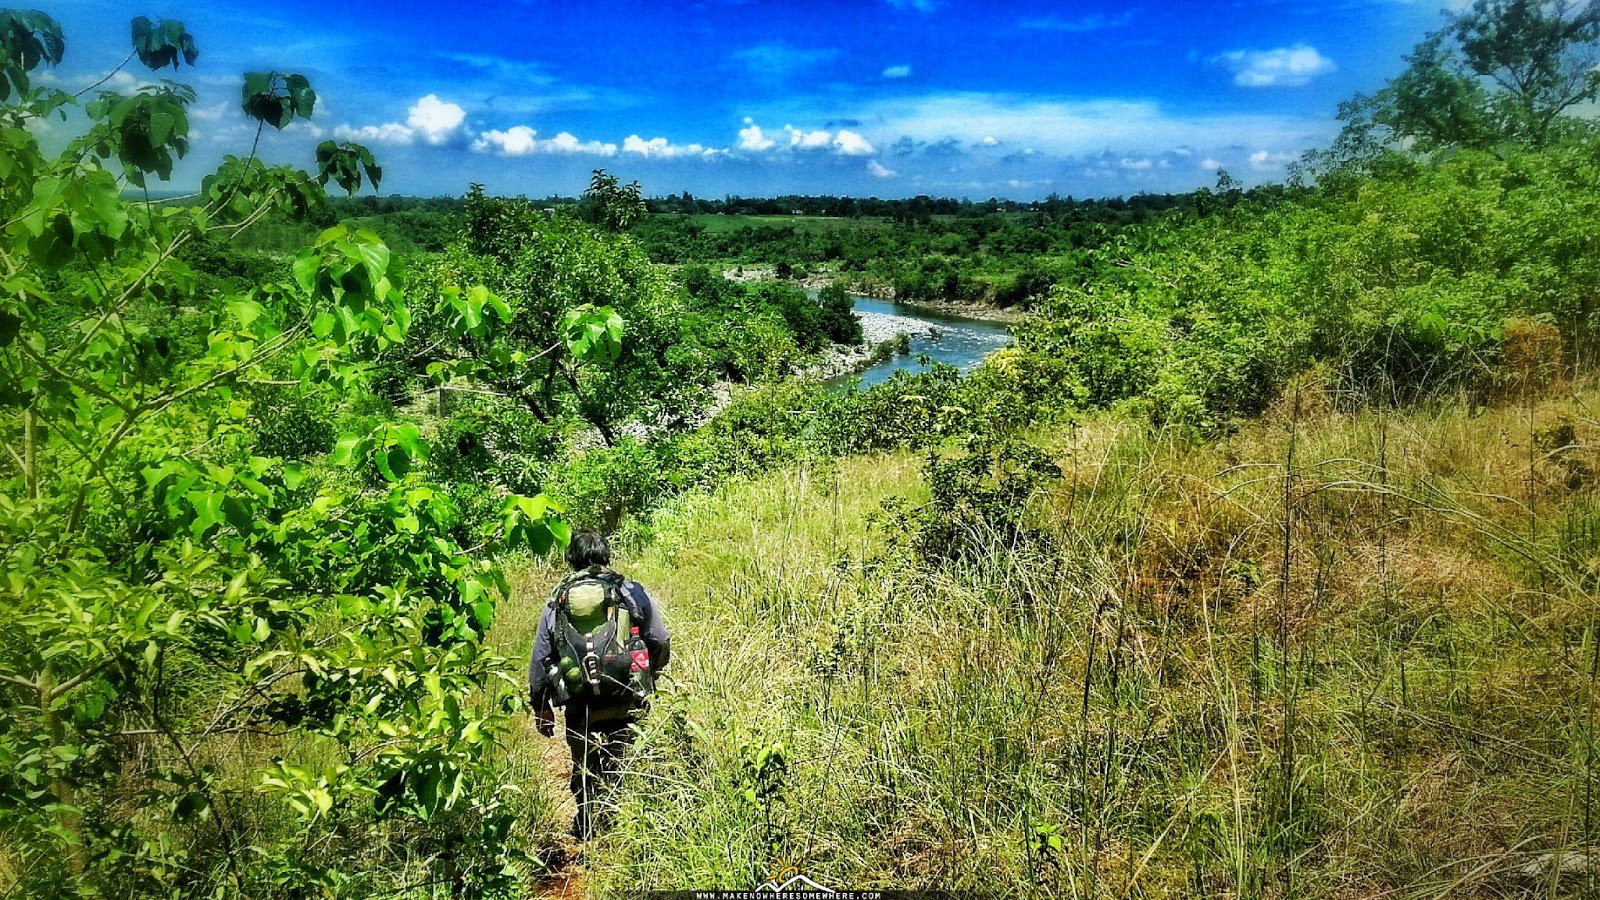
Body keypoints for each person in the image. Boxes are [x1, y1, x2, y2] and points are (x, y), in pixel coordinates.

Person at [528, 530, 670, 840]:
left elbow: (541, 657)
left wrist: (541, 708)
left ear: (571, 560)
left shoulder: (556, 601)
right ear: (605, 555)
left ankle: (591, 825)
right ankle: (628, 828)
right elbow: (659, 639)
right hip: (627, 695)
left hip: (580, 704)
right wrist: (652, 673)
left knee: (586, 764)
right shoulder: (630, 591)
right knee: (626, 761)